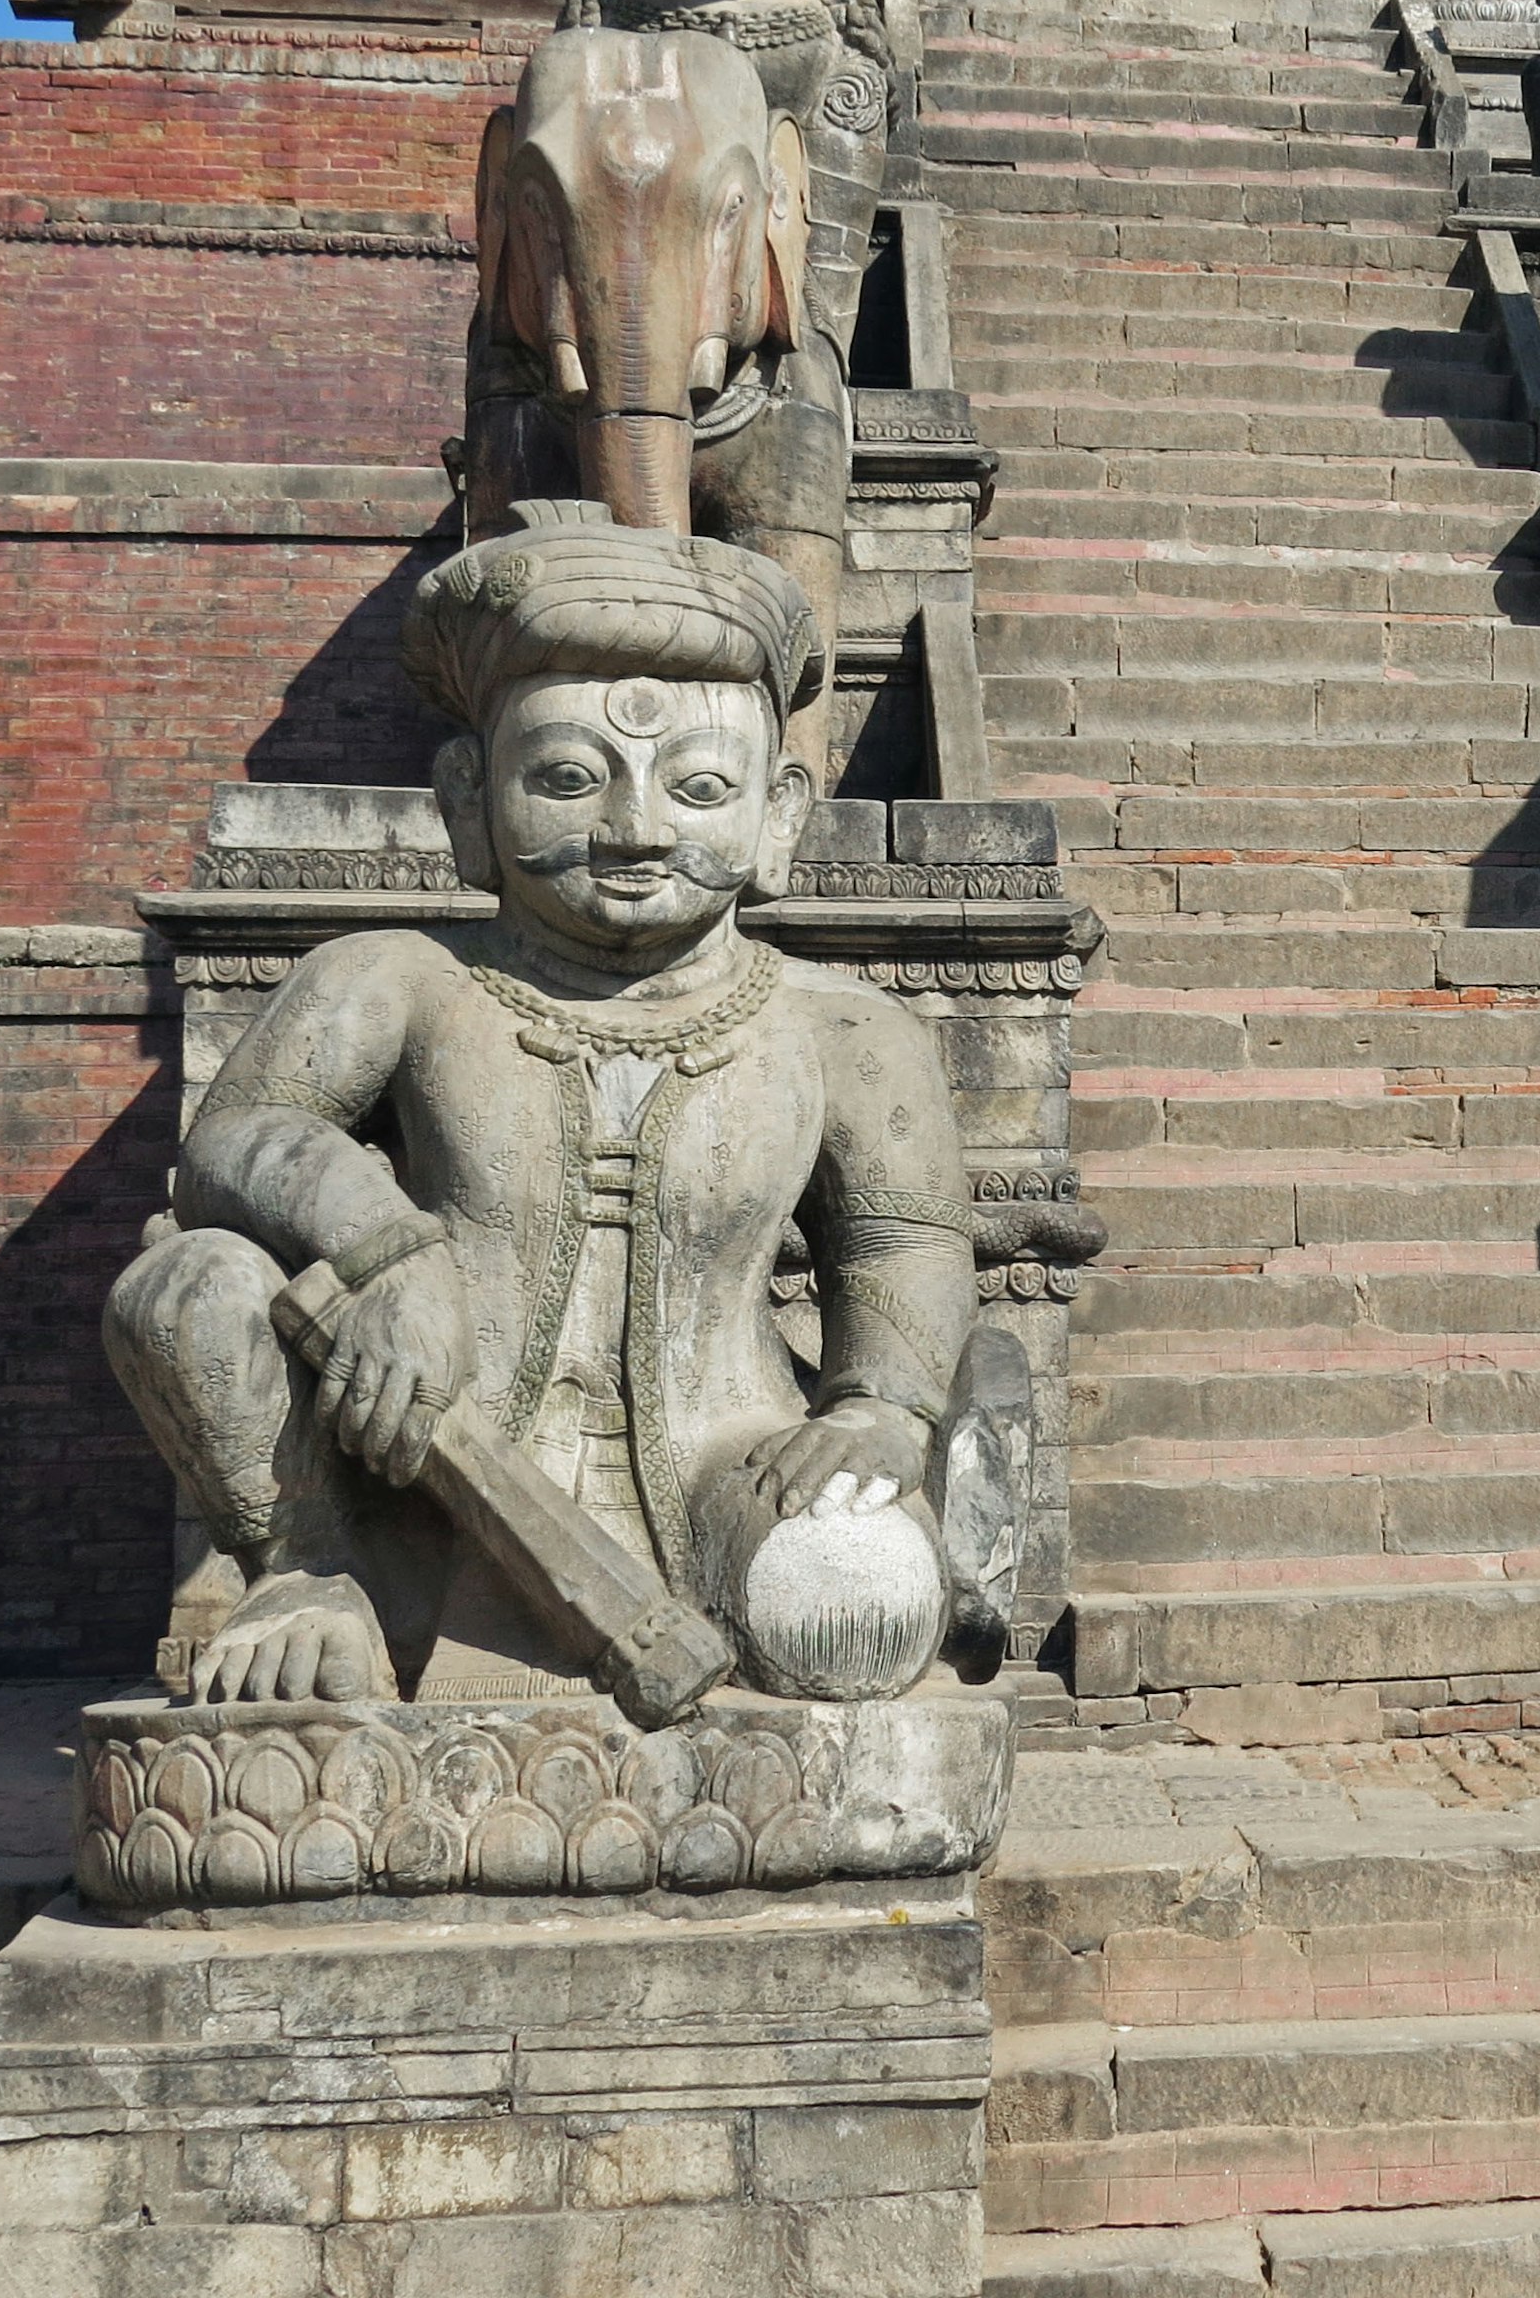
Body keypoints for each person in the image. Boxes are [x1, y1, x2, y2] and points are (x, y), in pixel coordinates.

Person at [99, 504, 1022, 1706]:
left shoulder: (842, 1030)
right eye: (571, 778)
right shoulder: (399, 979)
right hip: (417, 1470)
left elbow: (899, 1240)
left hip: (728, 1468)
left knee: (855, 1611)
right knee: (185, 1287)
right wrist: (390, 1255)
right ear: (470, 798)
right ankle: (308, 1577)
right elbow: (226, 1146)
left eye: (698, 785)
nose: (637, 828)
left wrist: (880, 1413)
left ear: (778, 817)